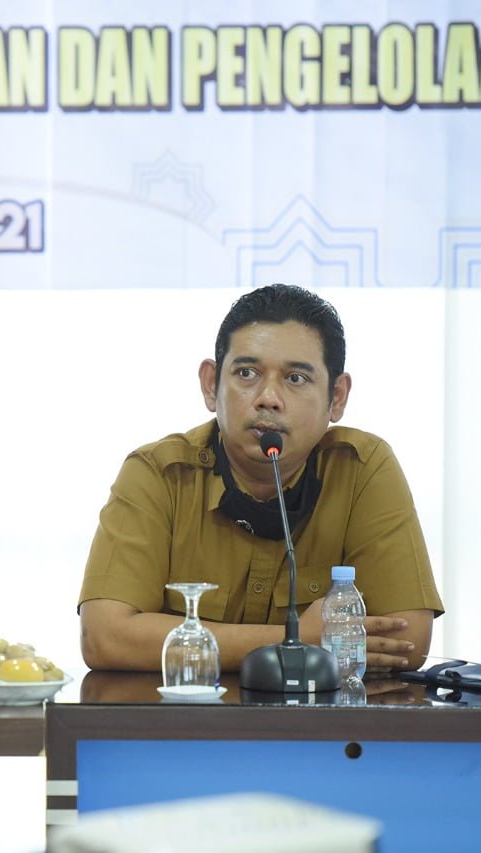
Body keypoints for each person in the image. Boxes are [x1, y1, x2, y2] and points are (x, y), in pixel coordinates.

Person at [78, 284, 443, 674]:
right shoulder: (159, 475)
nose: (268, 398)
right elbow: (104, 637)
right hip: (184, 713)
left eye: (296, 378)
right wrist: (297, 641)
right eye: (246, 373)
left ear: (336, 397)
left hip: (320, 714)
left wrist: (191, 644)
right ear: (211, 385)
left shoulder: (361, 469)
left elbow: (406, 640)